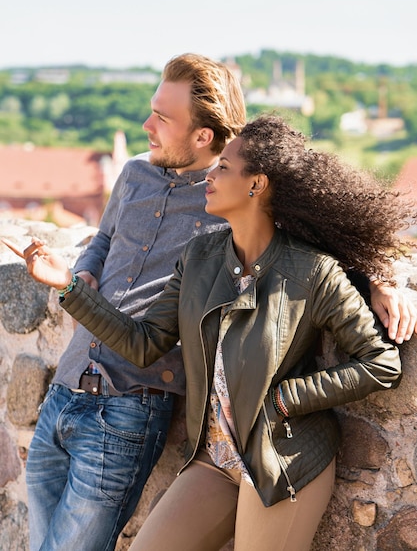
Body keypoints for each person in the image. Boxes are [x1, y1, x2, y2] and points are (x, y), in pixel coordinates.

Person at [12, 53, 415, 551]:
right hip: (213, 455)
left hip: (279, 454)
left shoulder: (305, 267)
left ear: (254, 184)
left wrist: (379, 280)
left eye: (223, 167)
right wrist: (69, 285)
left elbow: (377, 352)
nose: (209, 176)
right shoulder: (201, 255)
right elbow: (143, 342)